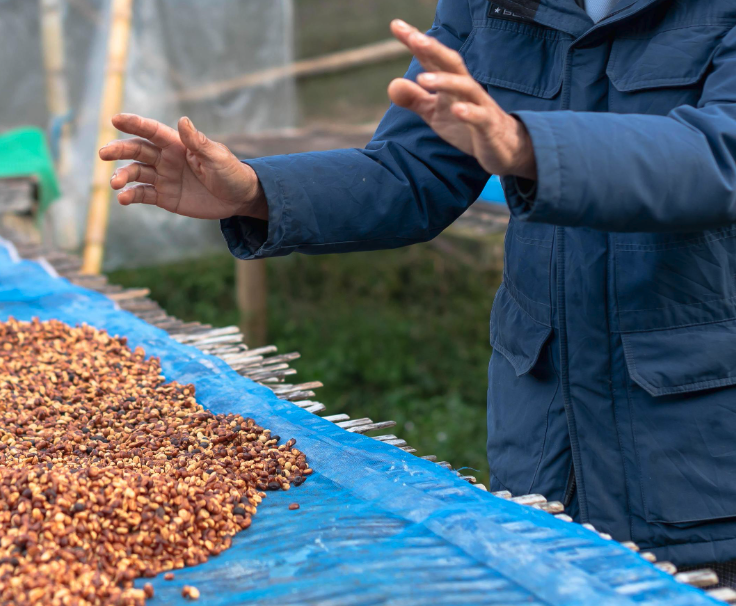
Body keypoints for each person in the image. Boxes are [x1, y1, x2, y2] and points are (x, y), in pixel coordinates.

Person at [100, 0, 736, 576]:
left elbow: (718, 157)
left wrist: (524, 143)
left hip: (698, 454)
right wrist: (256, 191)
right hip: (545, 444)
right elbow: (411, 172)